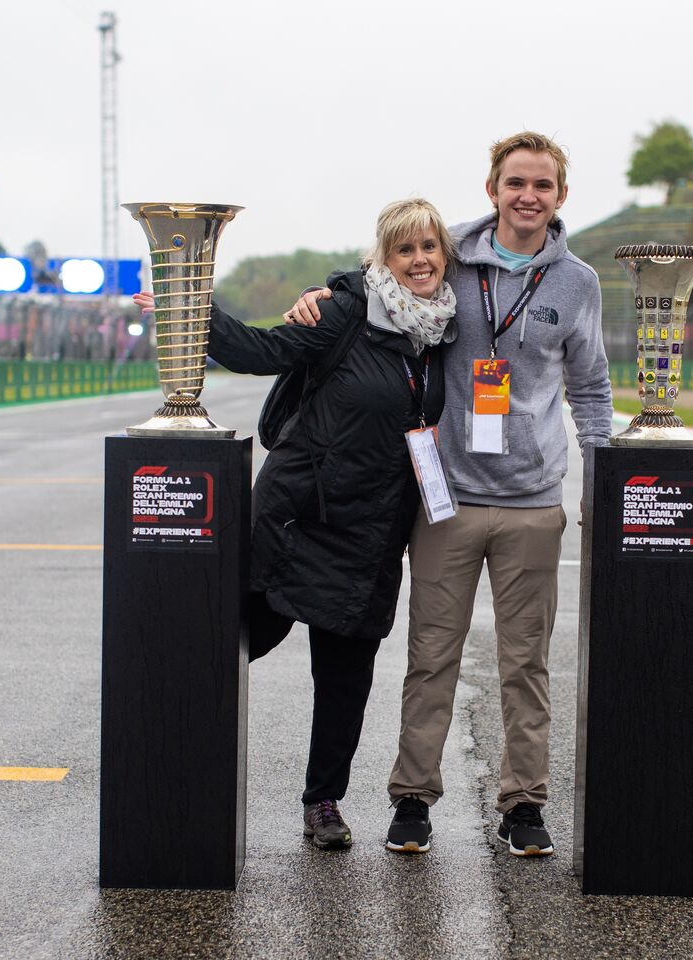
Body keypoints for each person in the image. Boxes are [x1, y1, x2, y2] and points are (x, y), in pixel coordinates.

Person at [288, 132, 612, 857]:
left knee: (524, 662)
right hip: (447, 498)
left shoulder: (577, 282)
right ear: (493, 188)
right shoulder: (456, 256)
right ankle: (412, 797)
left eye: (543, 186)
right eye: (515, 183)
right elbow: (388, 269)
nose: (528, 196)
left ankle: (524, 804)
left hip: (533, 500)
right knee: (432, 654)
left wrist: (603, 476)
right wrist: (327, 291)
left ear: (560, 196)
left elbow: (590, 386)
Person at [134, 198, 457, 851]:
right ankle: (166, 758)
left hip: (370, 531)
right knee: (236, 640)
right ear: (382, 258)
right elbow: (261, 351)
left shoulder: (446, 329)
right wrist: (190, 305)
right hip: (297, 515)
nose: (419, 260)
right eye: (405, 250)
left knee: (345, 678)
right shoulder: (344, 311)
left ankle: (323, 803)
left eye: (429, 247)